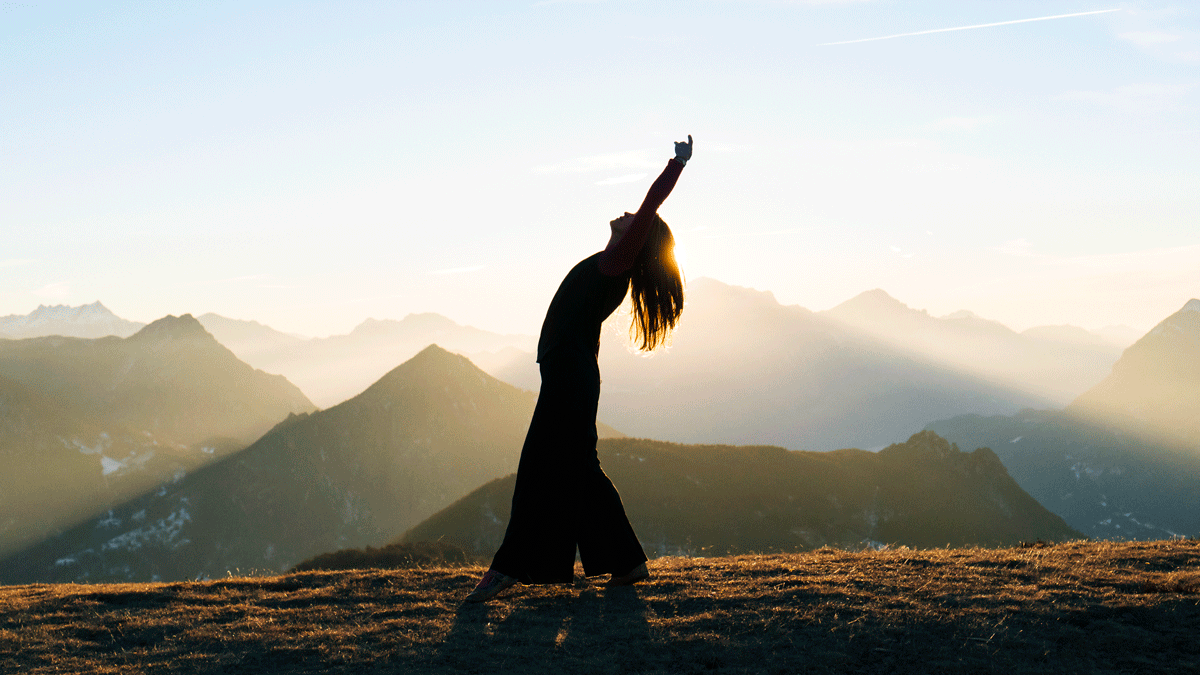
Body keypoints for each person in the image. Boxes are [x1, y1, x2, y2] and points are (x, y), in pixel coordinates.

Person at [465, 135, 693, 603]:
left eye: (635, 222)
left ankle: (508, 568)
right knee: (578, 469)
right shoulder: (610, 266)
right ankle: (627, 562)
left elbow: (649, 205)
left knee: (538, 469)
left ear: (637, 240)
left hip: (570, 378)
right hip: (571, 376)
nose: (628, 216)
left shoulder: (616, 265)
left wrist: (676, 165)